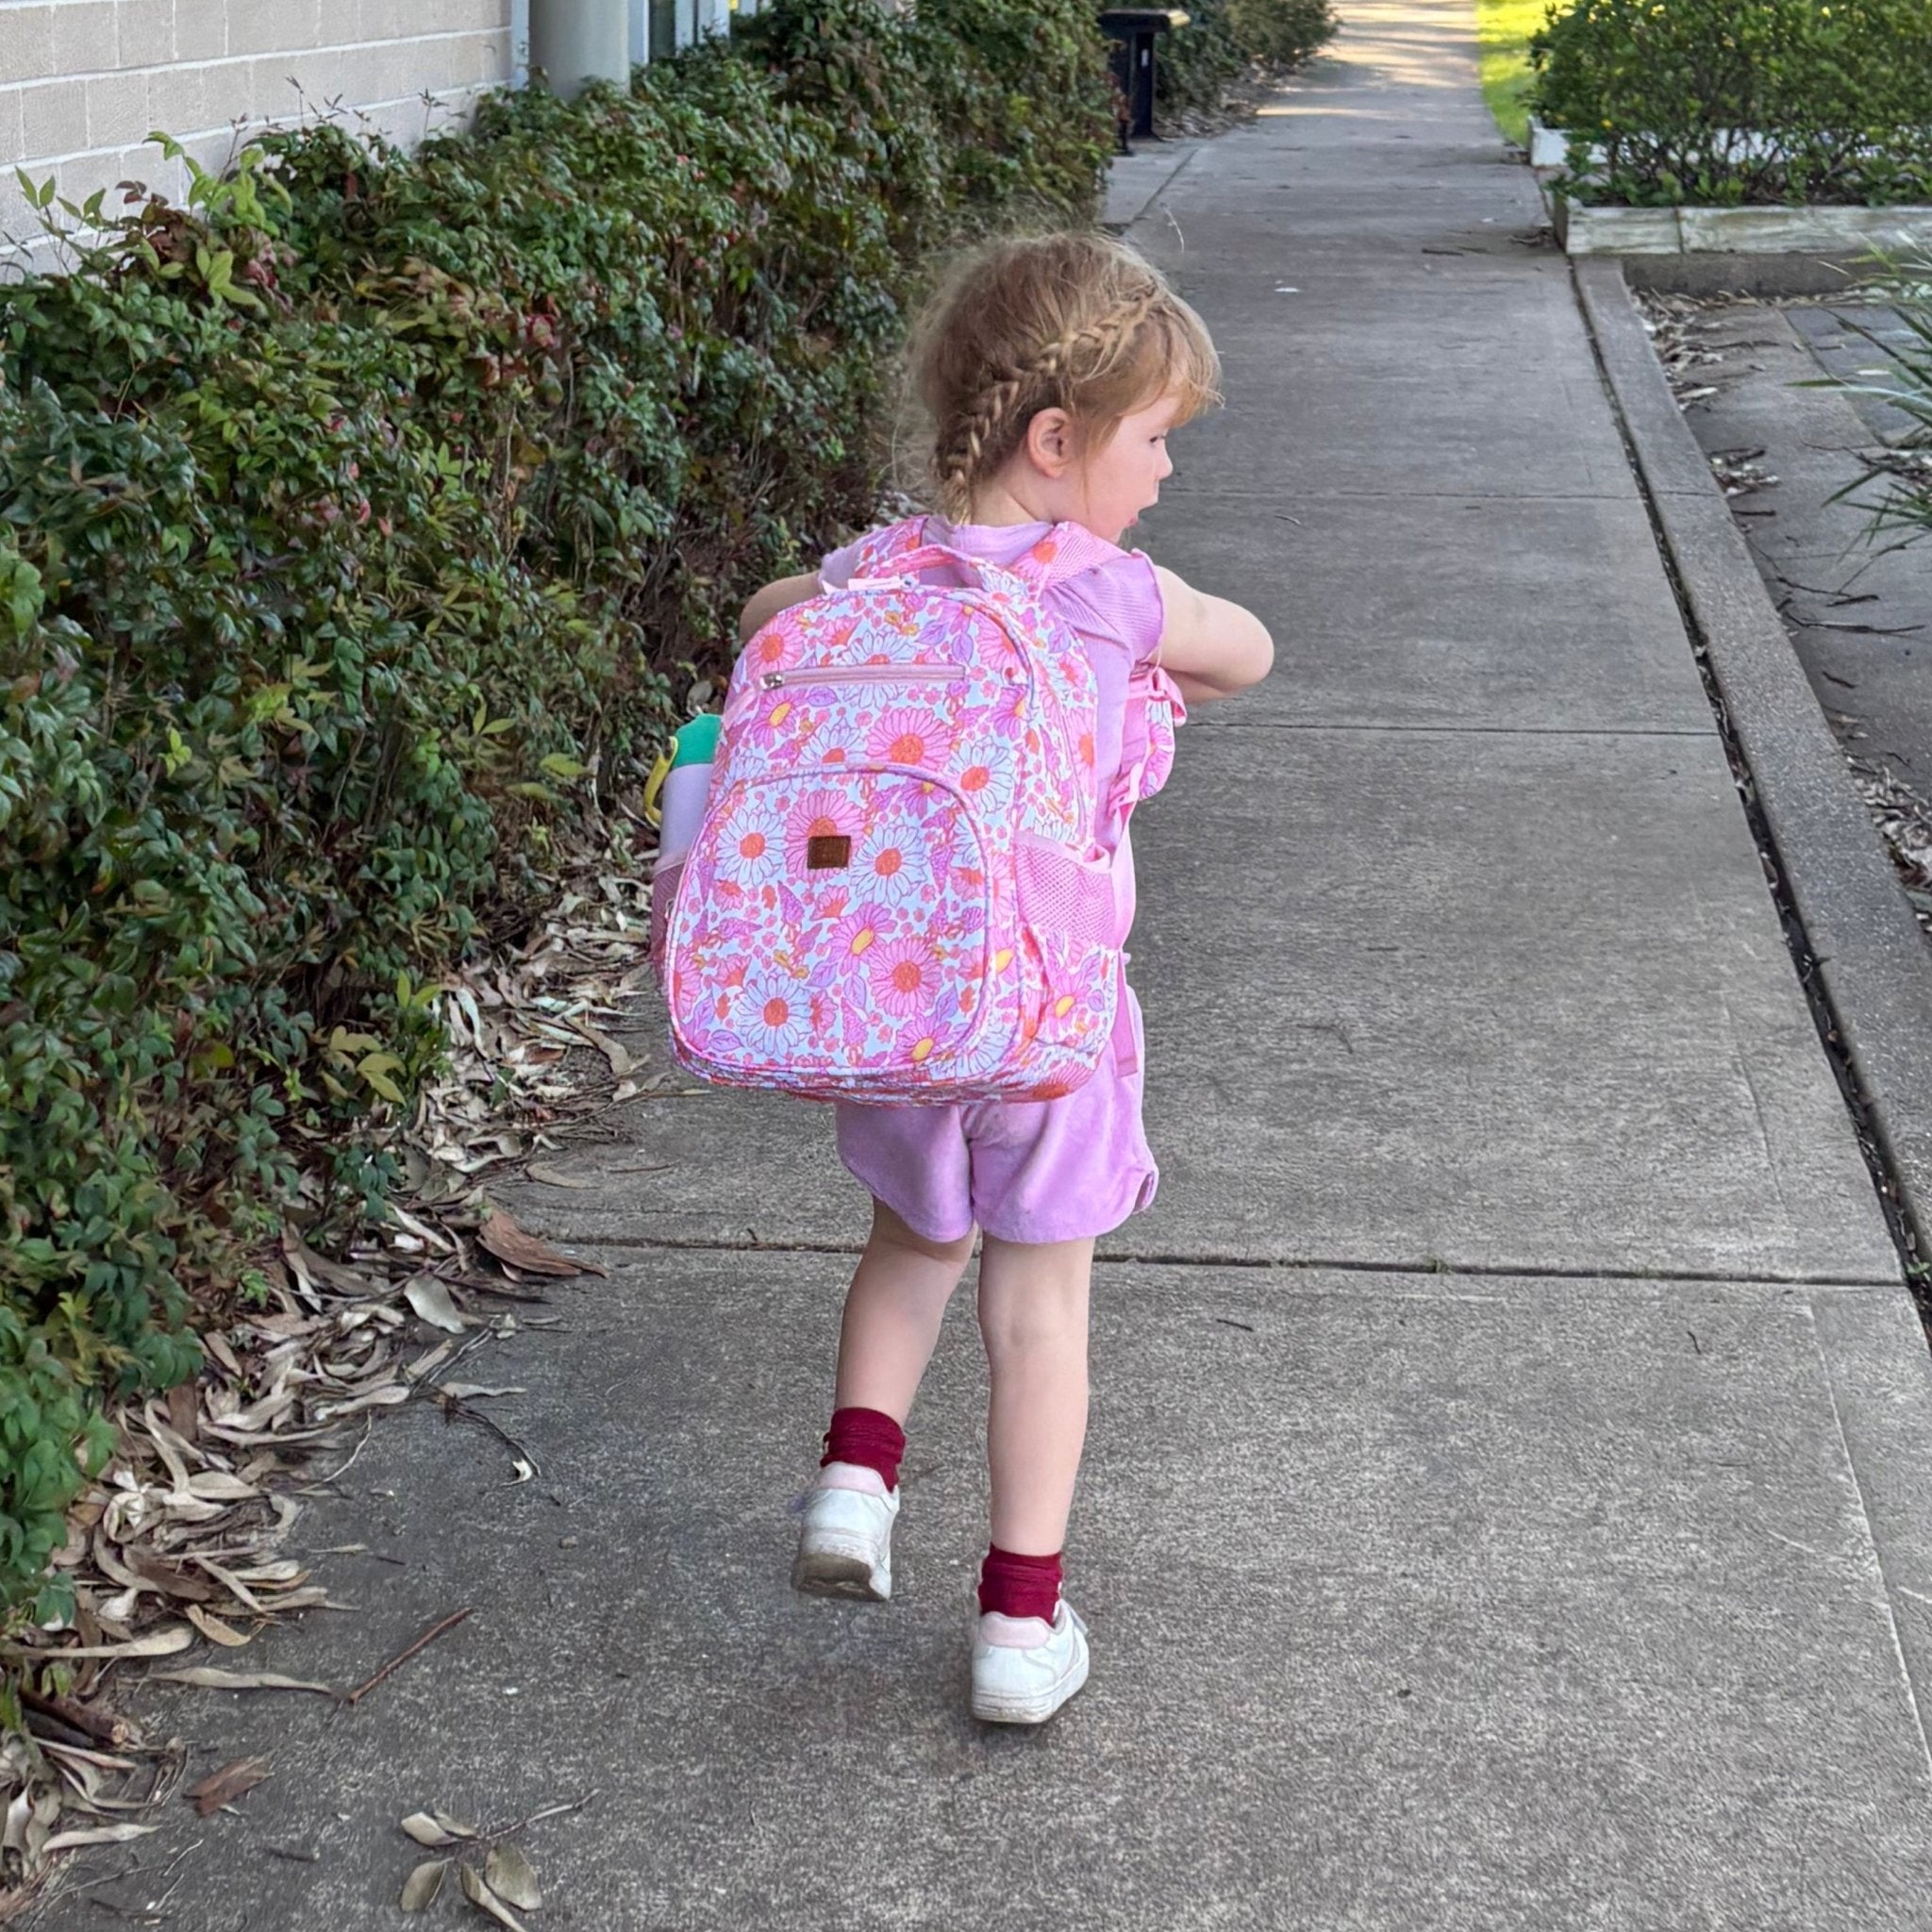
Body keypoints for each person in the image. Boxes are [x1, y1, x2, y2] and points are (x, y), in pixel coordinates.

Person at [735, 231, 1274, 1724]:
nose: (1164, 470)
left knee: (912, 1247)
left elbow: (767, 623)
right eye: (1151, 439)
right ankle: (1019, 1633)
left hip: (893, 1010)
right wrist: (1155, 643)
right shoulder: (1106, 592)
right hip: (1045, 1031)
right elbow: (1249, 653)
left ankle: (855, 1484)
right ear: (1056, 440)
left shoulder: (875, 571)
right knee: (1039, 1312)